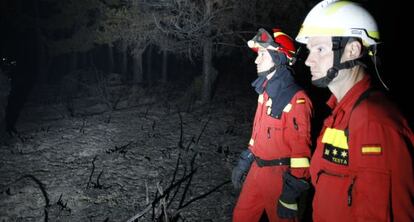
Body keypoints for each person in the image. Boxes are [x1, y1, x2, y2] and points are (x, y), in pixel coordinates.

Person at [295, 0, 414, 221]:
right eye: (310, 49)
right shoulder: (338, 113)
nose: (309, 60)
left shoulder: (372, 120)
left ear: (352, 50)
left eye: (319, 49)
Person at [232, 28, 313, 222]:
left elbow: (301, 153)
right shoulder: (265, 92)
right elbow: (257, 134)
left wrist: (291, 191)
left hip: (280, 177)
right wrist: (245, 160)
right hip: (256, 171)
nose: (256, 60)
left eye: (261, 54)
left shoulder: (297, 99)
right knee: (240, 217)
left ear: (279, 57)